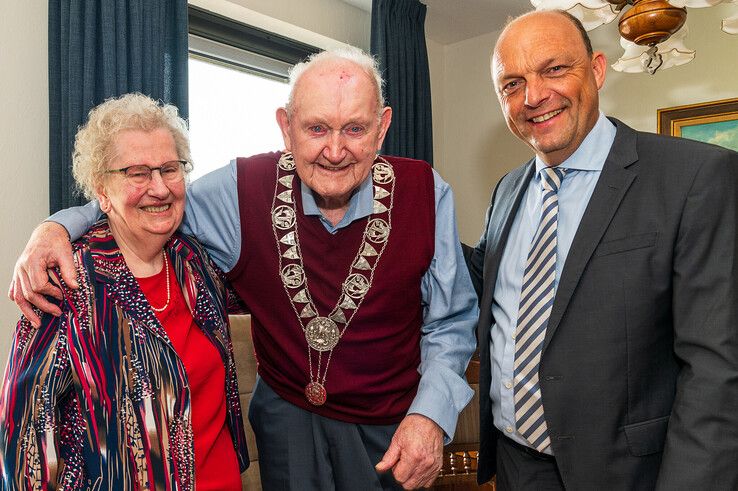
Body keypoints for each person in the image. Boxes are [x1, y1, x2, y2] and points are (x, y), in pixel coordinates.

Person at [9, 47, 478, 490]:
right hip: (287, 421)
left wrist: (430, 416)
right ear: (286, 126)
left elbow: (451, 321)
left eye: (354, 129)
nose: (335, 151)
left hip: (390, 425)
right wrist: (56, 226)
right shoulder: (239, 191)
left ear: (382, 127)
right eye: (316, 129)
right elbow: (149, 200)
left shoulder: (426, 194)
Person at [465, 9, 738, 490]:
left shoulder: (695, 177)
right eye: (511, 83)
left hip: (630, 475)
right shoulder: (507, 191)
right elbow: (489, 287)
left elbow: (716, 371)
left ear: (596, 69)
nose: (533, 96)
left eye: (554, 69)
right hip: (514, 468)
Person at [0, 94, 249, 490]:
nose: (159, 188)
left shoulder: (197, 262)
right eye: (137, 173)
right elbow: (27, 431)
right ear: (101, 190)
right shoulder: (66, 282)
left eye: (170, 169)